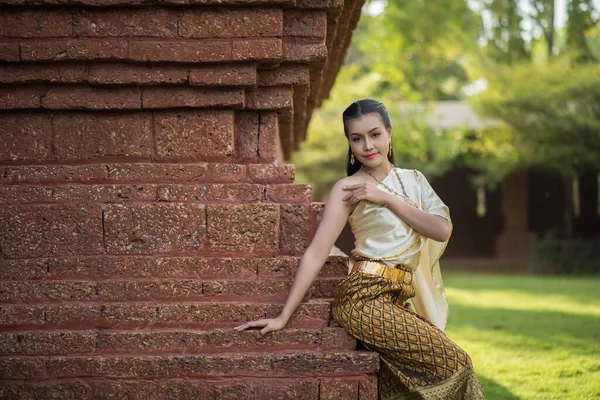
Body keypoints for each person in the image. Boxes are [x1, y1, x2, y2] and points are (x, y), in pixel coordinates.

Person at [235, 99, 485, 399]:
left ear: (389, 134)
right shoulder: (348, 188)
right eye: (357, 138)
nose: (368, 145)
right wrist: (283, 316)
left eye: (375, 134)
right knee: (457, 362)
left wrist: (387, 199)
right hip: (361, 298)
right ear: (349, 143)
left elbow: (441, 228)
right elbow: (317, 252)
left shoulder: (415, 181)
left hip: (396, 298)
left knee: (404, 380)